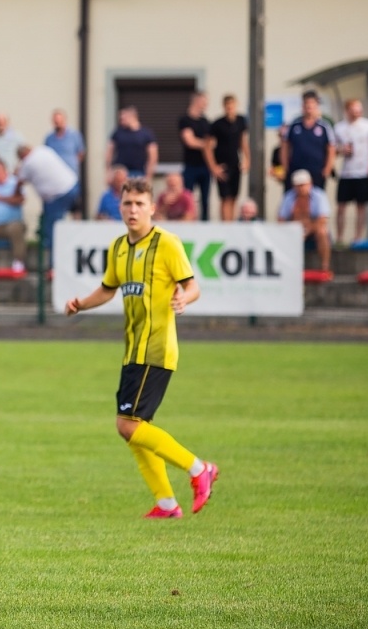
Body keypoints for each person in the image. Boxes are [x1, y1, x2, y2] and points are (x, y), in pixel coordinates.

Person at [64, 177, 217, 520]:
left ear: (152, 208)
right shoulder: (118, 246)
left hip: (157, 348)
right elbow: (108, 289)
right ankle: (166, 504)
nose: (133, 210)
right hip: (133, 350)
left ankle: (198, 468)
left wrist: (183, 298)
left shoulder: (167, 243)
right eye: (127, 204)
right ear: (120, 208)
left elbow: (192, 287)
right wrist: (80, 304)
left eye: (139, 204)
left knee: (128, 425)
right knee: (134, 426)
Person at [14, 141, 79, 271]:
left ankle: (54, 266)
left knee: (53, 231)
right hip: (73, 186)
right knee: (73, 221)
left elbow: (19, 182)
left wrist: (15, 189)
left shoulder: (27, 163)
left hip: (56, 197)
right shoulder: (43, 150)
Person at [332, 99, 368, 244]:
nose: (356, 114)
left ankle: (358, 237)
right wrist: (342, 150)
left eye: (358, 111)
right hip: (346, 172)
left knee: (361, 206)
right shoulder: (339, 127)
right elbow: (333, 149)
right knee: (341, 206)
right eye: (353, 111)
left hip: (363, 172)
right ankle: (340, 238)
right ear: (347, 110)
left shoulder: (367, 125)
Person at [278, 169, 332, 273]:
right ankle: (287, 268)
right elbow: (281, 219)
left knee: (322, 232)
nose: (301, 188)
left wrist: (307, 230)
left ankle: (325, 266)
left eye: (303, 185)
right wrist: (294, 231)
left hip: (313, 228)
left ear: (310, 184)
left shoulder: (319, 196)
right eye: (298, 185)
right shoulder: (289, 197)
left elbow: (322, 219)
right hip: (294, 228)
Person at [279, 90, 335, 190]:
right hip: (296, 169)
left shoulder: (324, 126)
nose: (309, 108)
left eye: (312, 104)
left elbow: (331, 148)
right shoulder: (294, 125)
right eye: (306, 104)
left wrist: (327, 168)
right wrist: (285, 166)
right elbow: (285, 146)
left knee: (316, 199)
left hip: (317, 170)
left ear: (316, 106)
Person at [209, 95, 250, 223]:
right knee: (225, 197)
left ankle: (231, 223)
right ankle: (225, 224)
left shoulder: (241, 121)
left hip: (235, 162)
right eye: (227, 106)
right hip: (222, 164)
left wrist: (247, 160)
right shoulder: (217, 124)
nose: (230, 108)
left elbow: (243, 142)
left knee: (234, 196)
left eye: (232, 105)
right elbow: (208, 146)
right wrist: (213, 167)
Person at [177, 92, 217, 219]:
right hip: (191, 165)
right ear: (196, 101)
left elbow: (212, 142)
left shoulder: (205, 121)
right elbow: (190, 141)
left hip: (205, 166)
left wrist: (206, 144)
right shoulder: (185, 120)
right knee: (188, 197)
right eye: (204, 101)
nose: (206, 105)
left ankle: (205, 221)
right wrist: (205, 144)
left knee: (205, 198)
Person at [107, 107, 157, 183]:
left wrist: (149, 175)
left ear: (132, 117)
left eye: (123, 118)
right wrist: (108, 171)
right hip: (119, 173)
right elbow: (109, 151)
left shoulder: (146, 134)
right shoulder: (118, 132)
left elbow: (153, 155)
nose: (121, 120)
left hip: (139, 172)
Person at [43, 109, 85, 174]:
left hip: (71, 172)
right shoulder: (49, 138)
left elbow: (81, 153)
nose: (58, 124)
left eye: (60, 121)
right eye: (56, 122)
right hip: (55, 173)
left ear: (64, 120)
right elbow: (46, 154)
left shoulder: (74, 135)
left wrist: (73, 162)